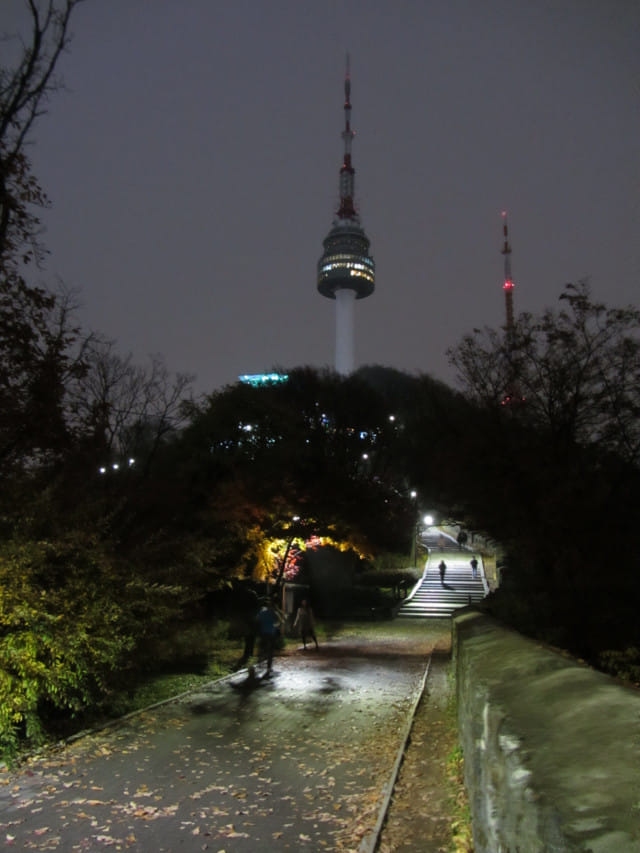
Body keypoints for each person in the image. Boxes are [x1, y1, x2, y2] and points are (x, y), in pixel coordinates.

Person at [256, 599, 281, 675]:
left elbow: (257, 620)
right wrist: (275, 626)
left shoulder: (262, 612)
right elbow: (278, 622)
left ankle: (260, 659)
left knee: (262, 646)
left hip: (263, 633)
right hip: (271, 633)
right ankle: (269, 667)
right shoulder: (274, 613)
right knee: (271, 651)